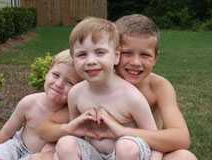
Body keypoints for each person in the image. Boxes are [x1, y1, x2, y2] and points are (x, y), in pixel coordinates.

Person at [53, 17, 162, 160]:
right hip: (94, 153)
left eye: (100, 52)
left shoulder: (131, 96)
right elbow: (76, 134)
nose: (91, 61)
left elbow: (156, 142)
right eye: (82, 54)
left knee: (126, 147)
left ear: (116, 56)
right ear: (74, 60)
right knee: (65, 143)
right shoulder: (76, 93)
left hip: (127, 154)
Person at [114, 14, 197, 160]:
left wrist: (121, 131)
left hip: (149, 152)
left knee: (184, 157)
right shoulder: (99, 82)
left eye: (145, 55)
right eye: (126, 53)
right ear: (113, 52)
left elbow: (181, 138)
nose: (136, 62)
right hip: (104, 152)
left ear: (155, 58)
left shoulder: (159, 86)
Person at [0, 49, 82, 160]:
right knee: (3, 151)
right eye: (55, 75)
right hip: (16, 146)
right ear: (47, 73)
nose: (59, 84)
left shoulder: (72, 114)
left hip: (37, 156)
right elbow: (6, 131)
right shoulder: (29, 102)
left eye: (69, 82)